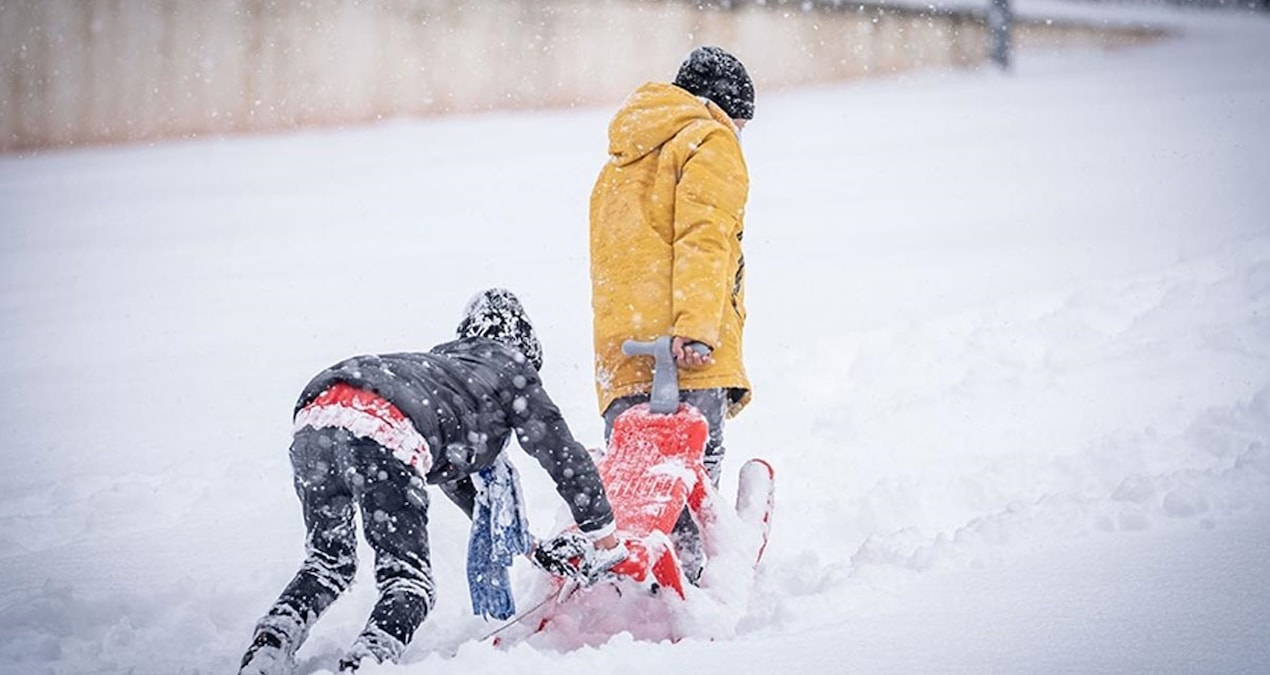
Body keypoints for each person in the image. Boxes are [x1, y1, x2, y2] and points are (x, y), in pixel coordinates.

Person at [239, 288, 625, 674]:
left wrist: (533, 548)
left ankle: (269, 648)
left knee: (328, 563)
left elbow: (463, 485)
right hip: (384, 429)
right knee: (409, 584)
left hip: (318, 417)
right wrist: (606, 540)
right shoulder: (510, 369)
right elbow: (563, 455)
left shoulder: (442, 375)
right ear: (525, 347)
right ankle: (365, 663)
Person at [588, 45, 755, 581]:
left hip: (621, 350)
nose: (741, 135)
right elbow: (705, 240)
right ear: (724, 107)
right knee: (692, 472)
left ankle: (636, 577)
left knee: (638, 483)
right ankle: (695, 579)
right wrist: (697, 328)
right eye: (742, 123)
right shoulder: (710, 139)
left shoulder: (622, 157)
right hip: (685, 345)